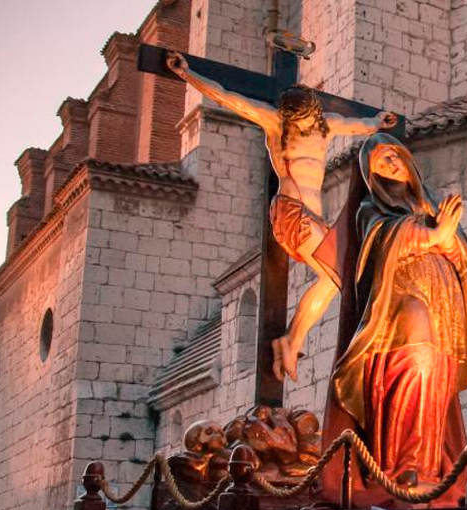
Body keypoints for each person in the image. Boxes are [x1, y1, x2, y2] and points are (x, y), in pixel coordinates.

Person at [164, 51, 397, 375]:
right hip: (291, 211)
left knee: (336, 278)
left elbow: (357, 125)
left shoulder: (326, 125)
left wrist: (377, 122)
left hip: (313, 217)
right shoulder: (275, 122)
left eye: (305, 119)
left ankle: (290, 340)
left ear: (313, 112)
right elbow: (229, 98)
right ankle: (290, 340)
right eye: (295, 121)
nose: (301, 126)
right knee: (335, 276)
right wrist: (188, 74)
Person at [300, 133, 467, 504]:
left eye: (395, 156)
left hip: (440, 304)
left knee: (434, 377)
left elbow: (458, 251)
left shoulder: (430, 204)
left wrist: (448, 240)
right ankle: (401, 463)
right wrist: (434, 236)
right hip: (396, 307)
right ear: (371, 174)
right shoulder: (370, 209)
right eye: (381, 161)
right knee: (414, 364)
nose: (392, 164)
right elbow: (381, 243)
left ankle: (428, 465)